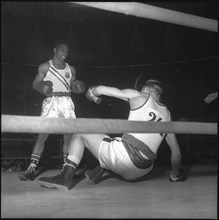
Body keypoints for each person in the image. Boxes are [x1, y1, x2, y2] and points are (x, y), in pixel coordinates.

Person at [38, 79, 186, 190]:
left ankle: (65, 177)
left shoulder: (139, 96)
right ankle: (101, 168)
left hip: (125, 159)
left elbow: (102, 89)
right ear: (158, 94)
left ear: (145, 89)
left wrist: (93, 92)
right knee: (110, 140)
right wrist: (175, 175)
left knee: (81, 131)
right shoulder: (167, 114)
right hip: (143, 170)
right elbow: (176, 153)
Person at [19, 40, 86, 181]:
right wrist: (40, 87)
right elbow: (35, 83)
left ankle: (66, 170)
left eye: (67, 51)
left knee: (68, 137)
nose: (65, 54)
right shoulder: (44, 67)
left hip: (67, 102)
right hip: (51, 103)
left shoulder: (71, 69)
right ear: (54, 50)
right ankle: (31, 169)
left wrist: (77, 86)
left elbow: (74, 86)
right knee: (42, 136)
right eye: (62, 50)